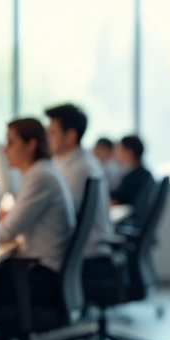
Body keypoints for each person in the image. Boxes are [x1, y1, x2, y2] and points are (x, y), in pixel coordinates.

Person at [0, 118, 76, 340]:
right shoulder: (42, 173)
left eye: (11, 142)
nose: (5, 149)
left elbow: (6, 232)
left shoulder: (39, 177)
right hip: (46, 273)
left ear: (31, 144)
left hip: (41, 277)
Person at [45, 104, 114, 261]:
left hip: (86, 256)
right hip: (84, 252)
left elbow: (61, 216)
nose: (47, 138)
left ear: (70, 135)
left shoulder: (80, 168)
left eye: (52, 132)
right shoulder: (70, 162)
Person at [112, 135, 154, 208]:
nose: (115, 154)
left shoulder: (135, 177)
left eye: (119, 150)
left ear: (129, 152)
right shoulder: (144, 174)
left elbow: (117, 200)